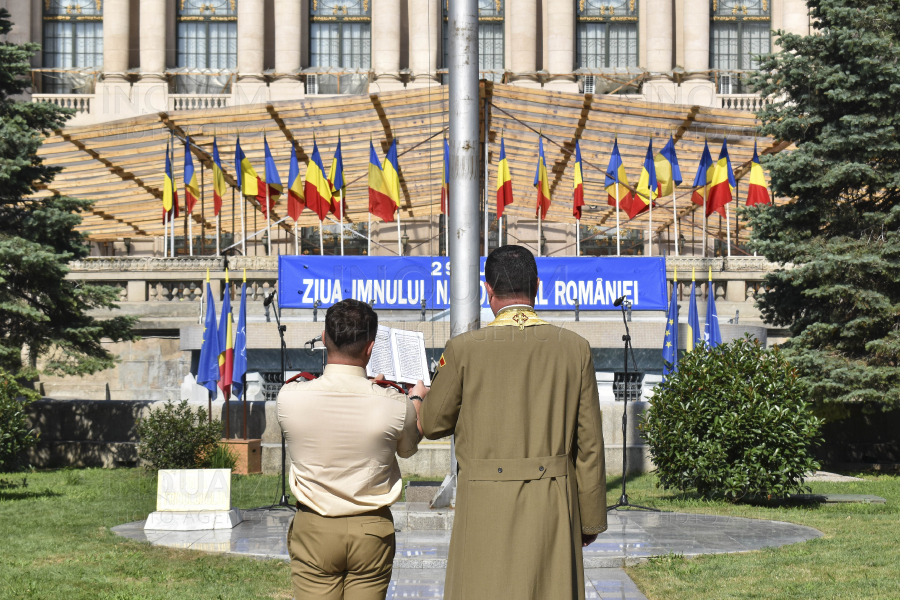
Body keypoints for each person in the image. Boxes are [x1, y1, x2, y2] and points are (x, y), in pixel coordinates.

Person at [420, 244, 607, 600]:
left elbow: (431, 424)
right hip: (552, 502)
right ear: (537, 286)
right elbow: (590, 445)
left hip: (483, 506)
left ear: (487, 289)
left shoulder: (463, 349)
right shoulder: (575, 348)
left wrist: (421, 395)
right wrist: (590, 517)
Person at [276, 299, 427, 600]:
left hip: (314, 524)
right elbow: (409, 447)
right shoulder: (394, 403)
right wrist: (417, 400)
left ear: (323, 338)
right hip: (371, 528)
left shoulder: (289, 397)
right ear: (370, 348)